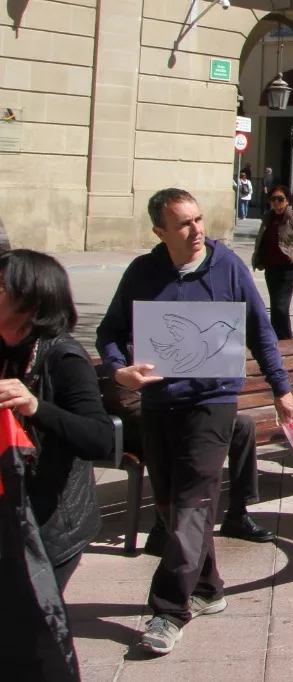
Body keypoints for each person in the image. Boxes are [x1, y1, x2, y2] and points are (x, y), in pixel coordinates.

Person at [96, 189, 293, 656]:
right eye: (183, 224)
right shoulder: (143, 274)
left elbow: (261, 331)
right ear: (160, 232)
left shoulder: (228, 267)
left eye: (199, 219)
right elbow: (109, 332)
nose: (197, 230)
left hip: (214, 403)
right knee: (169, 505)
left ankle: (170, 609)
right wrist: (117, 368)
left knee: (190, 502)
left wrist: (281, 387)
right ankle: (208, 588)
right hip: (161, 405)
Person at [0, 249, 116, 676]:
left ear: (29, 301)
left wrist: (35, 407)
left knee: (32, 635)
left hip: (51, 525)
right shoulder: (5, 346)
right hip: (10, 514)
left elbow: (101, 438)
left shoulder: (63, 357)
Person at [143, 411, 275, 550]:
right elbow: (133, 408)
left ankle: (237, 515)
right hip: (155, 423)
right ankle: (164, 528)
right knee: (174, 429)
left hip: (192, 413)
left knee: (243, 424)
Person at [250, 185, 293, 342]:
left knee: (280, 306)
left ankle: (284, 339)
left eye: (280, 199)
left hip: (290, 267)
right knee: (276, 305)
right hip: (271, 266)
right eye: (273, 199)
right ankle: (277, 338)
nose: (276, 202)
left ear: (287, 200)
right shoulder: (268, 217)